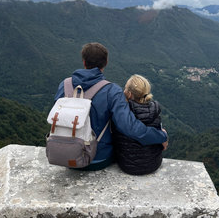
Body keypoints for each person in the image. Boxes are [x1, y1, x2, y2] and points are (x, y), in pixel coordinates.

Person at [54, 42, 168, 171]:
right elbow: (131, 128)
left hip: (67, 157)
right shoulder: (112, 91)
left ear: (84, 62)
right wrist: (161, 135)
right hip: (98, 159)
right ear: (106, 63)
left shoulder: (64, 85)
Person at [113, 74, 165, 175]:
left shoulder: (124, 113)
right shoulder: (155, 110)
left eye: (125, 89)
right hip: (154, 163)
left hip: (127, 165)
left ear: (129, 94)